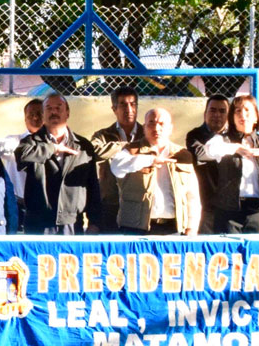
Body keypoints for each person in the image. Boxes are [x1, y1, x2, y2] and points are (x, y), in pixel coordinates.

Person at [15, 95, 110, 234]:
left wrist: (95, 222)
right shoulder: (31, 142)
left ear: (67, 112)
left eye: (58, 108)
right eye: (49, 108)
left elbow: (92, 186)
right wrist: (53, 148)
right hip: (39, 224)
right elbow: (22, 156)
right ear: (43, 114)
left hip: (71, 224)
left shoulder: (83, 145)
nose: (54, 112)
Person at [192, 95, 259, 233]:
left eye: (247, 110)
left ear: (256, 116)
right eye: (237, 111)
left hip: (256, 212)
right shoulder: (222, 139)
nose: (242, 115)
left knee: (255, 254)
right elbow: (209, 150)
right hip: (228, 212)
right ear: (232, 117)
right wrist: (235, 148)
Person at [107, 108, 201, 236]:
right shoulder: (131, 150)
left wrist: (192, 227)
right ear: (144, 127)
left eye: (162, 124)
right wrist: (149, 160)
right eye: (151, 123)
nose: (156, 128)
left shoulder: (183, 155)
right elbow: (116, 167)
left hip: (173, 228)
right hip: (135, 228)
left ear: (170, 128)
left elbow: (192, 196)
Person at [88, 88, 144, 232]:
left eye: (133, 104)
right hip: (110, 203)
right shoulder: (103, 135)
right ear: (114, 109)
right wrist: (128, 146)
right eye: (123, 105)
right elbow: (94, 151)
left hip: (140, 204)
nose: (129, 109)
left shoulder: (147, 134)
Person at [0, 97, 43, 207]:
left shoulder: (55, 143)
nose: (35, 118)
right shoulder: (15, 140)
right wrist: (22, 147)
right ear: (25, 119)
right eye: (31, 115)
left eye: (40, 114)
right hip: (17, 203)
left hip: (45, 203)